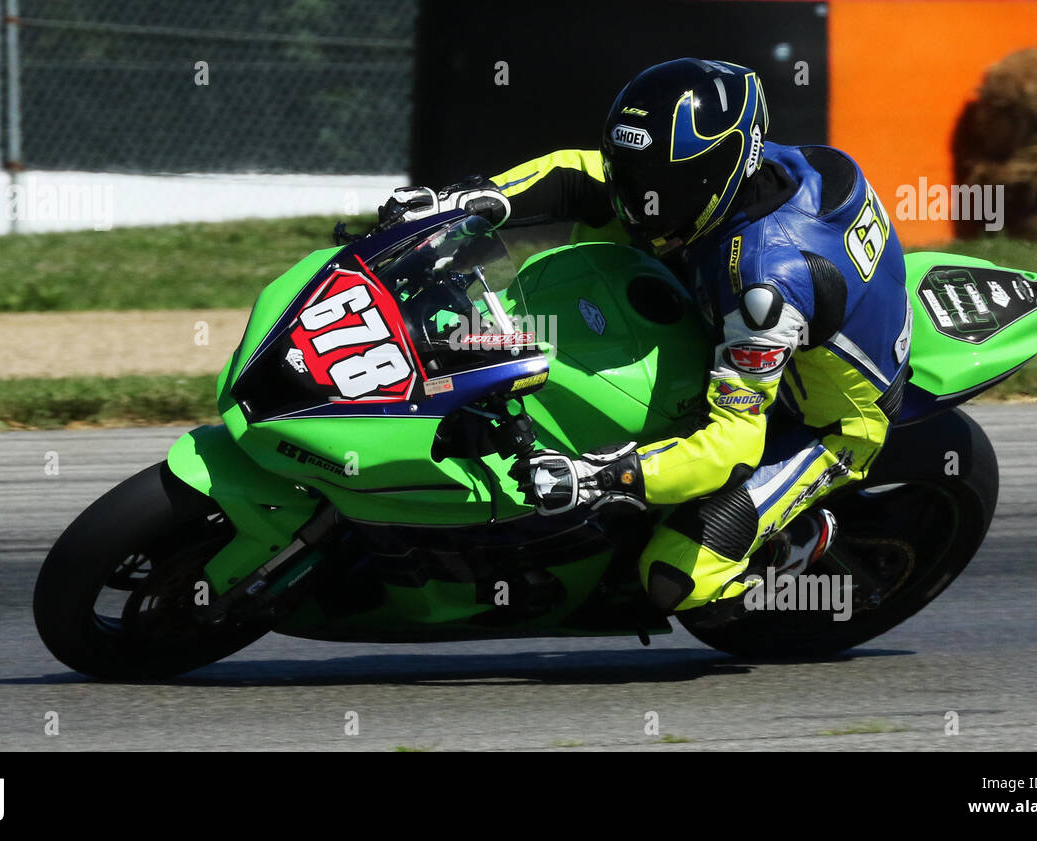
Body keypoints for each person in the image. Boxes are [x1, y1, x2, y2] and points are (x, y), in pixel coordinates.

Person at [377, 58, 912, 616]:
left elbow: (734, 443)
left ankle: (795, 543)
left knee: (673, 578)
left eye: (663, 185)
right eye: (632, 175)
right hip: (760, 311)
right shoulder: (728, 175)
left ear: (723, 168)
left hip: (821, 420)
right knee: (602, 212)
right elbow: (578, 173)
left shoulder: (764, 288)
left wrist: (608, 476)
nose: (639, 202)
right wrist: (467, 200)